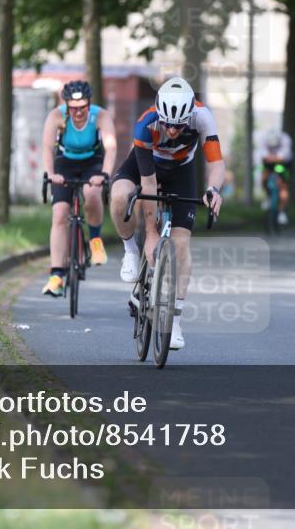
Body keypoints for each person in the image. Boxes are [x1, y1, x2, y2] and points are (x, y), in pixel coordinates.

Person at [109, 77, 225, 351]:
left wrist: (213, 189)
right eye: (168, 124)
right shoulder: (145, 125)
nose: (172, 130)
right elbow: (148, 184)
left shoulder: (202, 117)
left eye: (179, 125)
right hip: (147, 165)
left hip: (182, 170)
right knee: (120, 196)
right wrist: (150, 233)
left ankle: (174, 320)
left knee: (181, 245)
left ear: (189, 116)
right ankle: (130, 251)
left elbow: (216, 163)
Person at [40, 80, 117, 297]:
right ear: (66, 106)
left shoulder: (100, 116)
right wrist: (51, 173)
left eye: (83, 107)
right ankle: (56, 275)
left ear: (89, 104)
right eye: (73, 109)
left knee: (92, 193)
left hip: (92, 161)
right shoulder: (56, 116)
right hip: (65, 162)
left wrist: (105, 175)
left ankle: (95, 240)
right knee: (60, 213)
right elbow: (47, 147)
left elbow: (111, 148)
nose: (78, 113)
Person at [260, 128, 293, 225]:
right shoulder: (263, 139)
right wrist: (272, 158)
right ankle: (267, 197)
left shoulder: (286, 139)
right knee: (264, 175)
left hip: (284, 163)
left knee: (283, 186)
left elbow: (283, 158)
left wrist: (272, 158)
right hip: (270, 162)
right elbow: (263, 156)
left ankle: (282, 212)